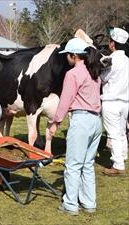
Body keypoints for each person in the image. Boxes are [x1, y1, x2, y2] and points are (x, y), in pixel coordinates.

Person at [49, 37, 102, 215]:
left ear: (73, 56)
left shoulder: (72, 74)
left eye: (67, 55)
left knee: (73, 165)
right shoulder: (93, 72)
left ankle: (70, 204)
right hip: (96, 121)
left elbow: (65, 101)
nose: (66, 58)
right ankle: (89, 202)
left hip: (81, 121)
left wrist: (55, 122)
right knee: (87, 164)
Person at [101, 27, 129, 176]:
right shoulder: (127, 60)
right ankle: (123, 157)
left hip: (111, 101)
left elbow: (103, 78)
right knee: (122, 132)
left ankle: (118, 165)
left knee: (113, 134)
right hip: (125, 101)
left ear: (113, 43)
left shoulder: (110, 60)